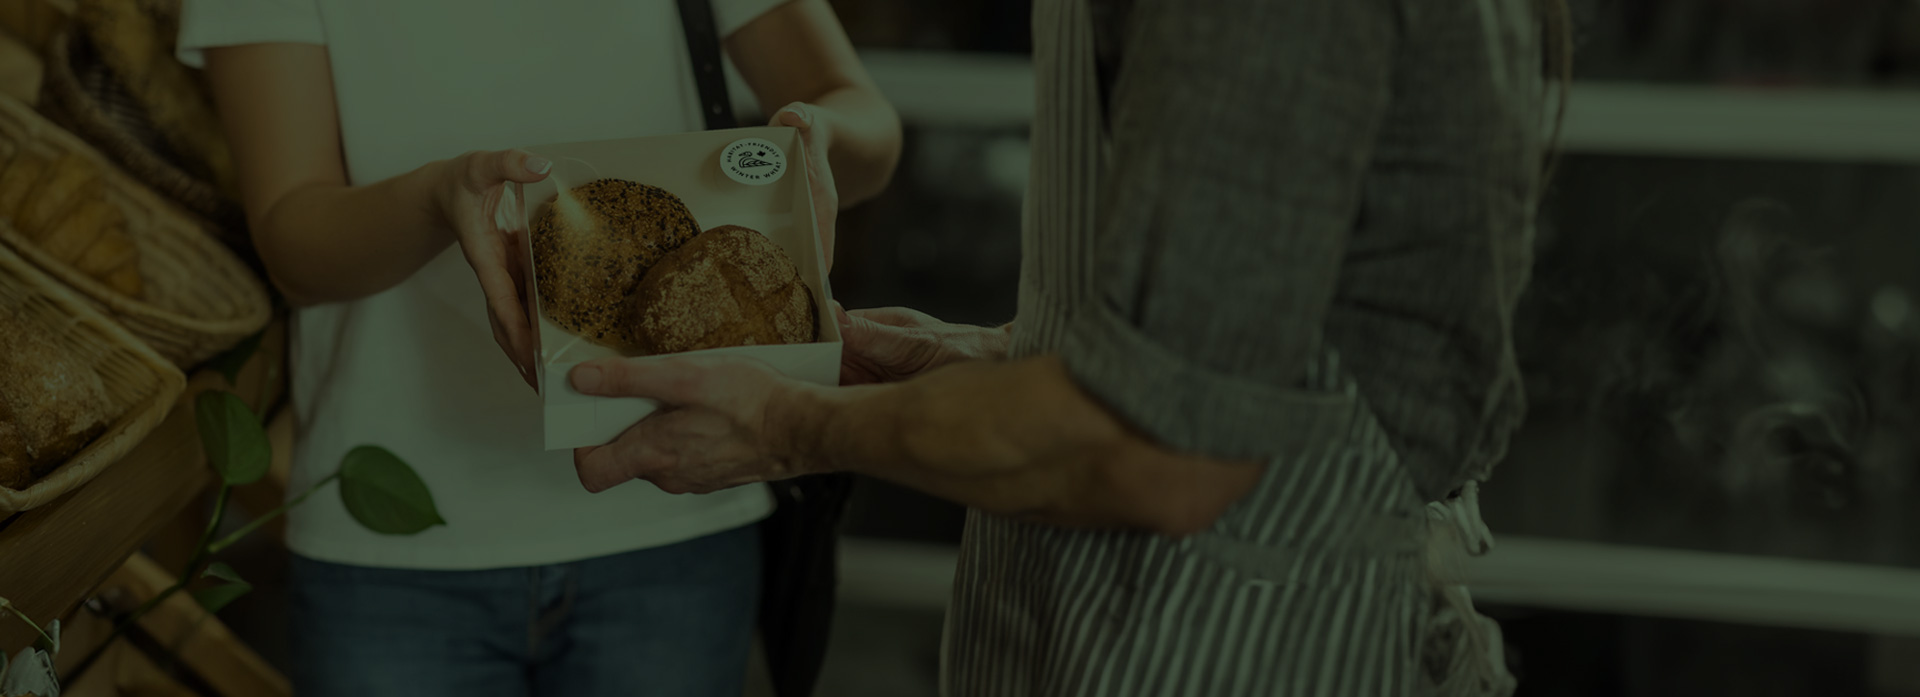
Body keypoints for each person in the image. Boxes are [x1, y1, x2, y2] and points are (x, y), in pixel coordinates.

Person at [559, 0, 1569, 694]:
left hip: (1256, 640)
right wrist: (1000, 361)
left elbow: (1164, 453)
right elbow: (1234, 338)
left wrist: (788, 425)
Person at [176, 0, 900, 694]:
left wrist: (818, 136)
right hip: (395, 552)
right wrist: (439, 195)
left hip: (678, 507)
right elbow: (294, 243)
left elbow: (867, 125)